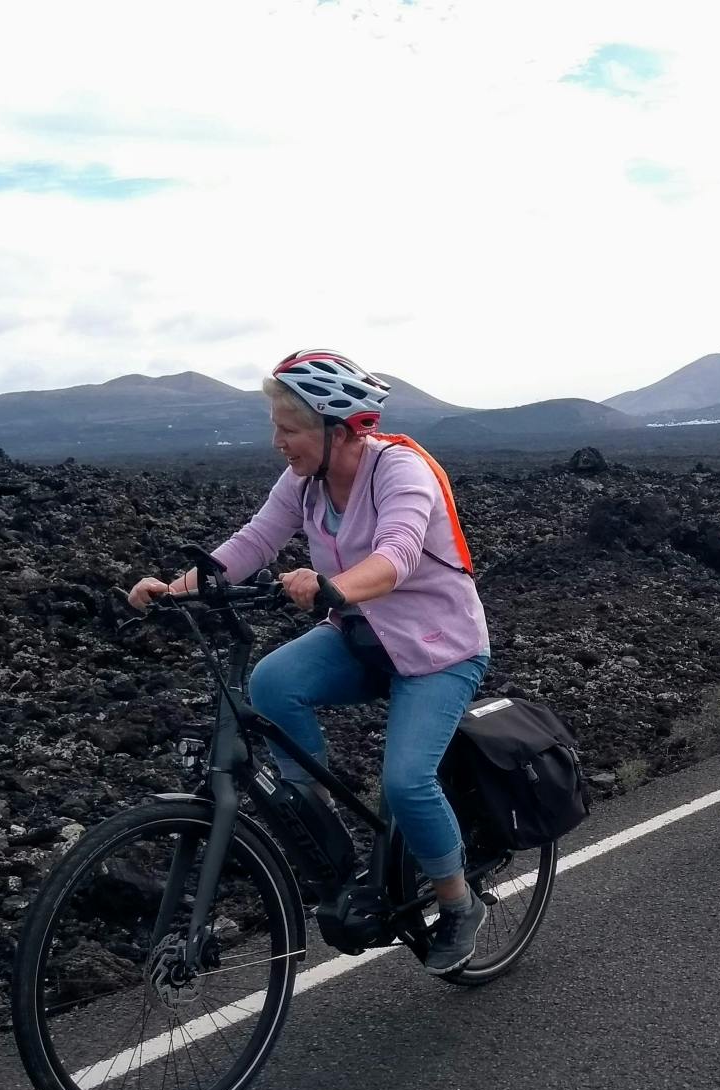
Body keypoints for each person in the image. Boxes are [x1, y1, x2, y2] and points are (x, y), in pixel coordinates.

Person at [128, 349, 492, 975]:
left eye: (289, 428)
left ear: (341, 427)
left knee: (405, 784)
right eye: (276, 427)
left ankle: (459, 903)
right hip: (363, 638)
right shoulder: (304, 481)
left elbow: (400, 552)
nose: (278, 442)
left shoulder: (401, 471)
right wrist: (179, 587)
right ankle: (316, 828)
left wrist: (334, 587)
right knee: (273, 682)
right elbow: (254, 541)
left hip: (438, 650)